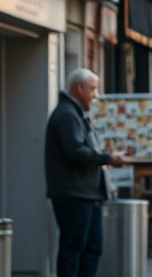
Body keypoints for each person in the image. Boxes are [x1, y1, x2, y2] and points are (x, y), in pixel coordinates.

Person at [45, 68, 125, 277]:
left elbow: (80, 149)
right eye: (93, 89)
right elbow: (75, 151)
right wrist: (106, 158)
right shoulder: (67, 115)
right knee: (74, 250)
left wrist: (102, 156)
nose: (96, 95)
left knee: (92, 248)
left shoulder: (73, 113)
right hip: (74, 195)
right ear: (79, 89)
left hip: (86, 194)